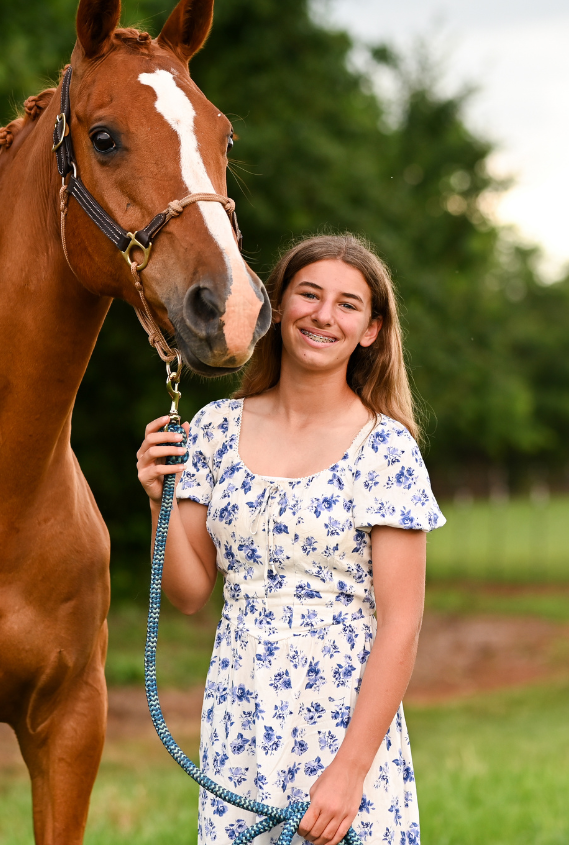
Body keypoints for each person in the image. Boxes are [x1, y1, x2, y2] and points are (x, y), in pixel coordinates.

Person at [137, 234, 444, 845]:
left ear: (371, 331)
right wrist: (156, 501)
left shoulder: (386, 449)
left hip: (345, 722)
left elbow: (401, 623)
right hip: (240, 718)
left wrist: (350, 773)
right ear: (276, 307)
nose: (323, 315)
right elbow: (190, 593)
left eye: (347, 304)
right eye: (309, 295)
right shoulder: (215, 430)